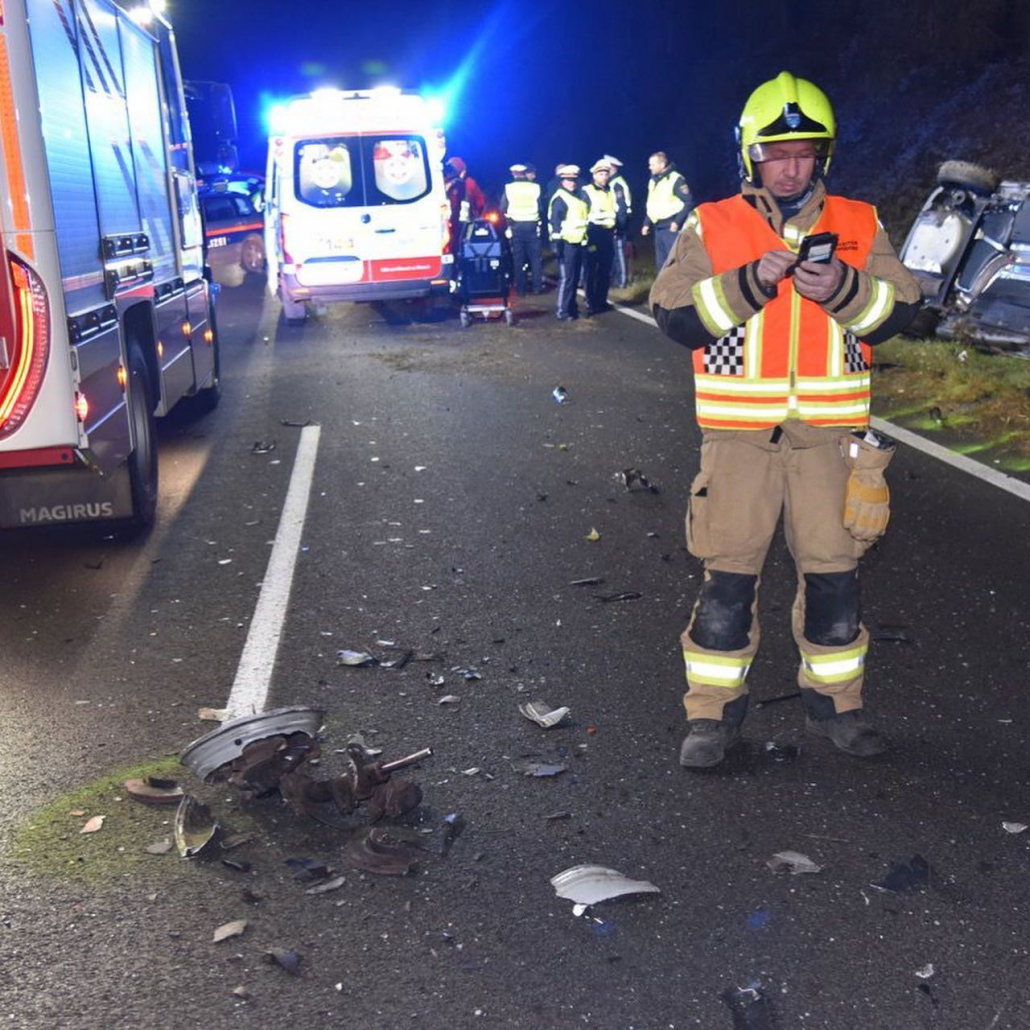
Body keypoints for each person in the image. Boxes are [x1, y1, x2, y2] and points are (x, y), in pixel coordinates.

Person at [649, 71, 922, 769]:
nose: (791, 166)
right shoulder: (711, 222)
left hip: (832, 447)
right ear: (750, 155)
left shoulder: (860, 223)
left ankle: (838, 705)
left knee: (836, 582)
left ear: (822, 156)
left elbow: (903, 312)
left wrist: (845, 288)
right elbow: (674, 315)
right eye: (777, 152)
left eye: (805, 152)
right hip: (738, 442)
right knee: (727, 584)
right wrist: (750, 284)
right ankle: (711, 717)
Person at [548, 165, 588, 321]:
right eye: (568, 180)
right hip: (566, 245)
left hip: (577, 243)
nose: (572, 183)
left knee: (574, 278)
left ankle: (571, 308)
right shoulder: (560, 199)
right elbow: (555, 224)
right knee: (568, 279)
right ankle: (563, 311)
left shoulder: (576, 196)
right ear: (562, 181)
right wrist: (557, 245)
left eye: (573, 180)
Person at [582, 159, 622, 314]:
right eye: (601, 174)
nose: (604, 177)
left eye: (606, 174)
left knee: (605, 269)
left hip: (607, 234)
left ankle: (601, 300)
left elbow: (614, 213)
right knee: (591, 269)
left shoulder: (610, 191)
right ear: (594, 175)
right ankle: (590, 300)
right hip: (592, 233)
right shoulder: (587, 191)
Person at [642, 151, 693, 273]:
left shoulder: (676, 179)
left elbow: (689, 201)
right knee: (662, 264)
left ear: (662, 164)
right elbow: (652, 204)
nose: (650, 167)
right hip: (658, 228)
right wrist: (646, 223)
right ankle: (665, 290)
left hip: (671, 227)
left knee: (675, 262)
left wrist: (677, 222)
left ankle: (680, 290)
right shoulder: (653, 181)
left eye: (652, 164)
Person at [499, 163, 544, 294]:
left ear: (513, 174)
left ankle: (521, 288)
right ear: (524, 173)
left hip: (516, 226)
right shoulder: (535, 187)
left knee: (518, 258)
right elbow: (541, 207)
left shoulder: (509, 188)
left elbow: (502, 207)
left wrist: (508, 219)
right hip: (532, 225)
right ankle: (537, 287)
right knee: (535, 259)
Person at [444, 156, 486, 255]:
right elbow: (481, 201)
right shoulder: (469, 183)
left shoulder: (444, 183)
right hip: (462, 223)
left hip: (452, 223)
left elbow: (480, 201)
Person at [605, 155, 632, 288]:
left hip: (620, 222)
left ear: (613, 168)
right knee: (615, 251)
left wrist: (619, 226)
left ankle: (622, 281)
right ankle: (617, 278)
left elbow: (621, 207)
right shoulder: (612, 182)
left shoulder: (616, 184)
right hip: (616, 221)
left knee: (620, 251)